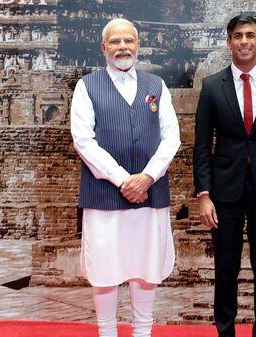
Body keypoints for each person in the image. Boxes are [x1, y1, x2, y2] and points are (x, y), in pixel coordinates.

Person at [70, 18, 181, 337]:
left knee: (146, 267)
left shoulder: (156, 86)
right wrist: (123, 180)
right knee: (104, 270)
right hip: (104, 197)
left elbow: (170, 137)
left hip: (150, 196)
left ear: (138, 45)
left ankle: (142, 332)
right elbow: (83, 140)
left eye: (128, 41)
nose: (122, 47)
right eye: (115, 42)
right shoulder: (87, 86)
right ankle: (107, 332)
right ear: (104, 47)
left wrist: (146, 178)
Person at [193, 14, 256, 337]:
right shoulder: (211, 86)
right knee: (226, 267)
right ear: (229, 42)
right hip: (224, 192)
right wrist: (204, 195)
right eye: (238, 36)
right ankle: (225, 331)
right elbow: (201, 146)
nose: (244, 42)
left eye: (250, 35)